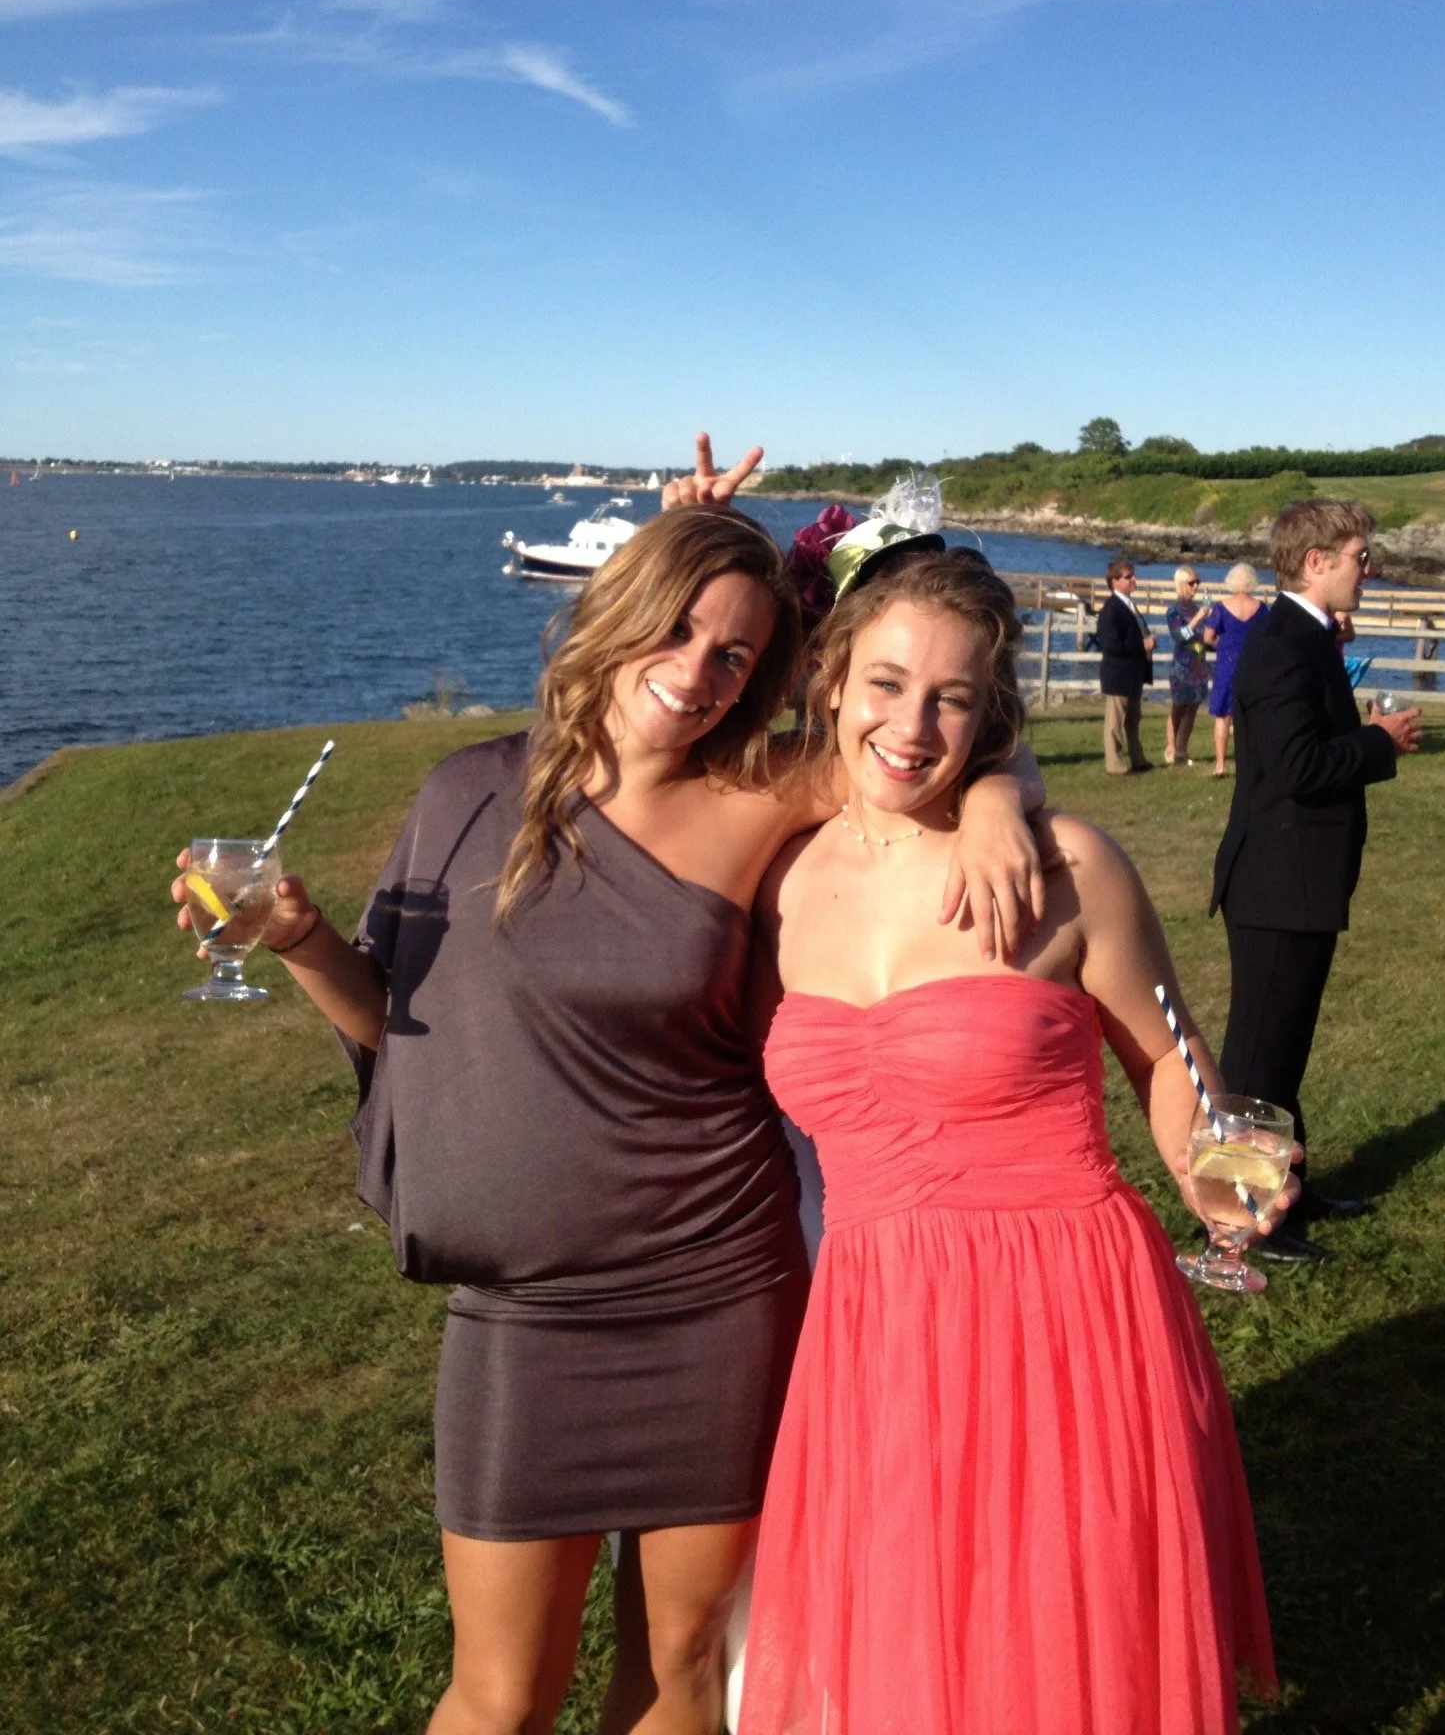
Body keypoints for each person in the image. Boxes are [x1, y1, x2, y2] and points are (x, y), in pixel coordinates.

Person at [172, 452, 1047, 1735]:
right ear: (615, 613)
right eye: (680, 629)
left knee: (682, 1671)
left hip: (714, 1292)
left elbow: (924, 745)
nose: (698, 670)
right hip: (522, 1311)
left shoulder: (760, 790)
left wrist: (996, 810)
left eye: (739, 657)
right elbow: (400, 1035)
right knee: (495, 1693)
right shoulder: (468, 792)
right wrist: (303, 942)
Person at [739, 544, 1288, 1735]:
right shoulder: (778, 870)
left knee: (1068, 1642)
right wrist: (1000, 785)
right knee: (910, 1637)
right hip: (878, 1316)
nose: (913, 722)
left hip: (1067, 1306)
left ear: (992, 708)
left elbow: (1170, 1060)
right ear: (832, 677)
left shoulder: (1067, 864)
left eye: (954, 696)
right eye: (887, 682)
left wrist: (1213, 1171)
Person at [1211, 500, 1420, 1266]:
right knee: (1259, 1059)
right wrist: (1377, 741)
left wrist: (1359, 732)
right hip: (1275, 881)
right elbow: (1298, 768)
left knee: (1285, 1051)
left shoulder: (1309, 637)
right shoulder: (1280, 644)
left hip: (1300, 881)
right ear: (1316, 561)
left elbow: (1303, 746)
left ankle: (1291, 1188)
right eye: (1361, 556)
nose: (1370, 569)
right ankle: (1243, 1216)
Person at [1203, 563, 1268, 778]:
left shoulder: (1221, 608)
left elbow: (1207, 637)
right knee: (1248, 717)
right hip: (1252, 666)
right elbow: (1268, 636)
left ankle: (1220, 764)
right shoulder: (1261, 607)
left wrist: (1221, 641)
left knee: (1222, 717)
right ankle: (1247, 763)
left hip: (1226, 666)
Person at [1096, 555, 1154, 774]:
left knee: (1133, 720)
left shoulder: (1129, 605)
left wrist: (1147, 643)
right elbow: (1111, 644)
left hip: (1134, 672)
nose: (1133, 580)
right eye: (1128, 577)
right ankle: (1115, 765)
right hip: (1118, 673)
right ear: (1115, 581)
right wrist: (1142, 645)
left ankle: (1138, 759)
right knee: (1115, 723)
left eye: (1133, 576)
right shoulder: (1111, 609)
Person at [1164, 565, 1211, 764]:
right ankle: (1171, 748)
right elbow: (1179, 636)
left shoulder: (1197, 608)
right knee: (1178, 707)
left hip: (1198, 665)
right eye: (1192, 583)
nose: (1196, 586)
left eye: (1197, 582)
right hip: (1182, 666)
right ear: (1182, 584)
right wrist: (1199, 617)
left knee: (1192, 708)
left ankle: (1183, 750)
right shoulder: (1174, 610)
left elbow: (1205, 636)